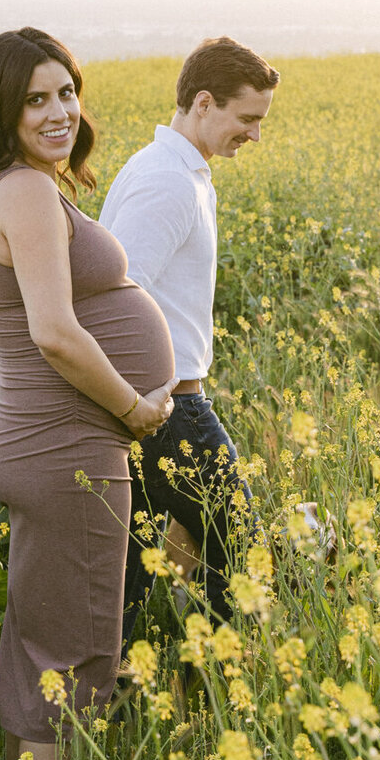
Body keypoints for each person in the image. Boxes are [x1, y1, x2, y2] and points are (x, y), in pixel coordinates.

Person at [0, 27, 175, 760]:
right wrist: (136, 409)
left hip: (40, 436)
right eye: (35, 99)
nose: (58, 111)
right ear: (0, 112)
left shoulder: (11, 188)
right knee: (70, 654)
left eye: (67, 92)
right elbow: (56, 332)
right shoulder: (27, 192)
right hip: (66, 442)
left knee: (39, 637)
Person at [99, 35, 279, 638]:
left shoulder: (175, 170)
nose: (255, 135)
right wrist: (140, 406)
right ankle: (233, 685)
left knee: (128, 577)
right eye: (248, 118)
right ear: (204, 102)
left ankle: (104, 701)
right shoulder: (167, 182)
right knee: (242, 560)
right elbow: (115, 300)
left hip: (154, 406)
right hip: (171, 409)